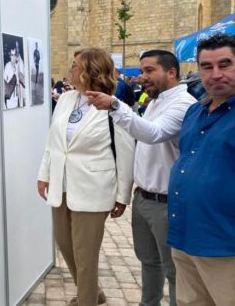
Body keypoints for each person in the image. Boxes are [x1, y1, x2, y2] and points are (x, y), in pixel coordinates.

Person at [87, 50, 195, 306]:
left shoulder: (183, 104)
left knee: (173, 271)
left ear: (171, 72)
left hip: (167, 202)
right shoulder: (156, 101)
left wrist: (115, 105)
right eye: (142, 70)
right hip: (144, 198)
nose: (143, 76)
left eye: (149, 70)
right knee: (149, 262)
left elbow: (153, 134)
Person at [37, 48, 135, 306]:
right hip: (62, 184)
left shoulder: (114, 107)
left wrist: (123, 195)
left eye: (76, 65)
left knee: (85, 254)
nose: (71, 69)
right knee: (65, 244)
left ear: (91, 71)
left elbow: (125, 154)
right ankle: (94, 293)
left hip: (94, 189)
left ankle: (87, 300)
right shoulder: (67, 99)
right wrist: (44, 174)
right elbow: (53, 142)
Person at [167, 33, 235, 306]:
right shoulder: (195, 112)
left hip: (224, 243)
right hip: (184, 235)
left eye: (225, 64)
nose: (215, 73)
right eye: (207, 66)